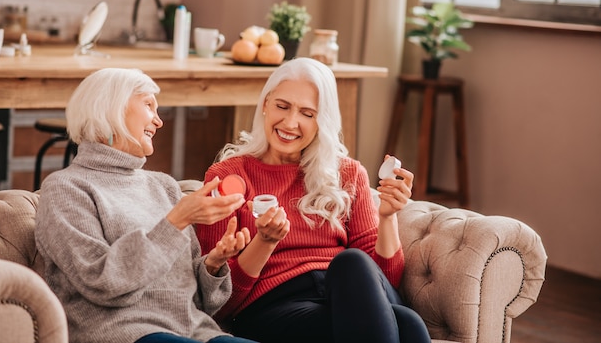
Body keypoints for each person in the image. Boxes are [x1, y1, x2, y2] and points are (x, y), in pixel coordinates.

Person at [195, 58, 432, 343]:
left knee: (360, 272)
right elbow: (216, 300)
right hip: (275, 307)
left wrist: (387, 216)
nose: (290, 122)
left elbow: (385, 278)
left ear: (322, 121)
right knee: (407, 325)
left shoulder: (348, 173)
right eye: (282, 106)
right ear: (266, 104)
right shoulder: (228, 176)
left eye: (307, 113)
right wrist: (264, 242)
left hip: (346, 292)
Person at [35, 68, 260, 343]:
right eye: (148, 105)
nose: (159, 121)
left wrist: (213, 264)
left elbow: (199, 302)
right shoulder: (66, 188)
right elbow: (103, 282)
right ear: (111, 108)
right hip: (122, 333)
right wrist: (176, 221)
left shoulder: (162, 186)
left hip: (195, 330)